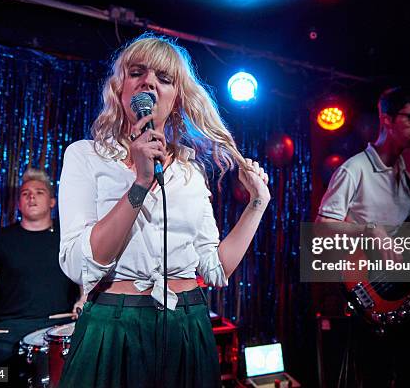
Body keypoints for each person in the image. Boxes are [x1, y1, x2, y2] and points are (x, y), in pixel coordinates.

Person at [57, 34, 270, 388]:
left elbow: (214, 268)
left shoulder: (189, 172)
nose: (150, 83)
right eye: (137, 72)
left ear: (176, 98)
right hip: (114, 325)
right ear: (120, 88)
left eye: (164, 79)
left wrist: (257, 204)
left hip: (187, 324)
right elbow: (80, 265)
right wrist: (140, 182)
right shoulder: (85, 156)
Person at [317, 87, 410, 387]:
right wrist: (370, 230)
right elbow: (322, 225)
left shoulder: (406, 176)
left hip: (403, 294)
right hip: (367, 296)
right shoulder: (355, 169)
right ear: (386, 119)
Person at [0, 168, 84, 369]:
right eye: (25, 194)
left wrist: (83, 299)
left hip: (57, 328)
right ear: (19, 203)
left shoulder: (67, 237)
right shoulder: (1, 239)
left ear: (52, 202)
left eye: (39, 192)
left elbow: (82, 275)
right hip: (9, 329)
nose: (31, 197)